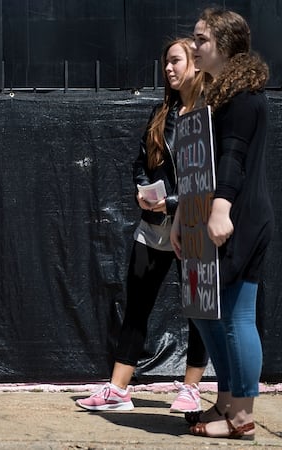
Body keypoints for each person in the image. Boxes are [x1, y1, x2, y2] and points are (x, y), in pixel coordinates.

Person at [77, 38, 208, 413]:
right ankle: (118, 391)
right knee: (136, 306)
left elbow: (209, 182)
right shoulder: (160, 113)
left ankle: (192, 389)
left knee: (198, 307)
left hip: (195, 225)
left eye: (176, 61)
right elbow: (141, 160)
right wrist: (142, 190)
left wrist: (171, 202)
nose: (168, 69)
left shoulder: (209, 115)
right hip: (152, 227)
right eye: (166, 62)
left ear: (195, 65)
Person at [170, 7, 272, 440]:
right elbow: (199, 166)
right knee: (205, 312)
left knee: (234, 315)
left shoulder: (244, 98)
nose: (194, 46)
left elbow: (231, 159)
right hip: (209, 215)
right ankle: (227, 402)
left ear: (225, 45)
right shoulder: (217, 97)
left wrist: (220, 208)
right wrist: (180, 216)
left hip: (238, 218)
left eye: (202, 39)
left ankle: (243, 417)